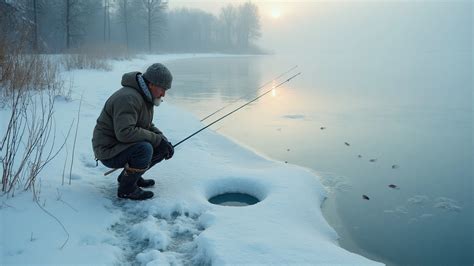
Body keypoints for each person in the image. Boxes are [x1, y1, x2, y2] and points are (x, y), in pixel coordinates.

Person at [92, 63, 175, 200]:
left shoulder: (144, 96)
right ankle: (127, 189)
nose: (164, 94)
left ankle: (131, 178)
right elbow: (125, 132)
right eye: (163, 89)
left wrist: (162, 139)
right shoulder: (129, 98)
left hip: (119, 145)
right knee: (145, 148)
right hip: (108, 150)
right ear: (152, 84)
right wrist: (157, 140)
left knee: (161, 148)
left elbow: (145, 125)